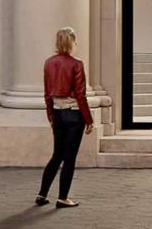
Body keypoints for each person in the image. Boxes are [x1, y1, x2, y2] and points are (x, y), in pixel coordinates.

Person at [36, 26, 91, 209]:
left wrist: (51, 116)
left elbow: (47, 94)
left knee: (56, 155)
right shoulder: (76, 63)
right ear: (72, 41)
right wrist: (89, 120)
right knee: (69, 158)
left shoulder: (48, 63)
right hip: (74, 116)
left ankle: (42, 194)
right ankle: (63, 198)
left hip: (58, 114)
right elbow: (80, 95)